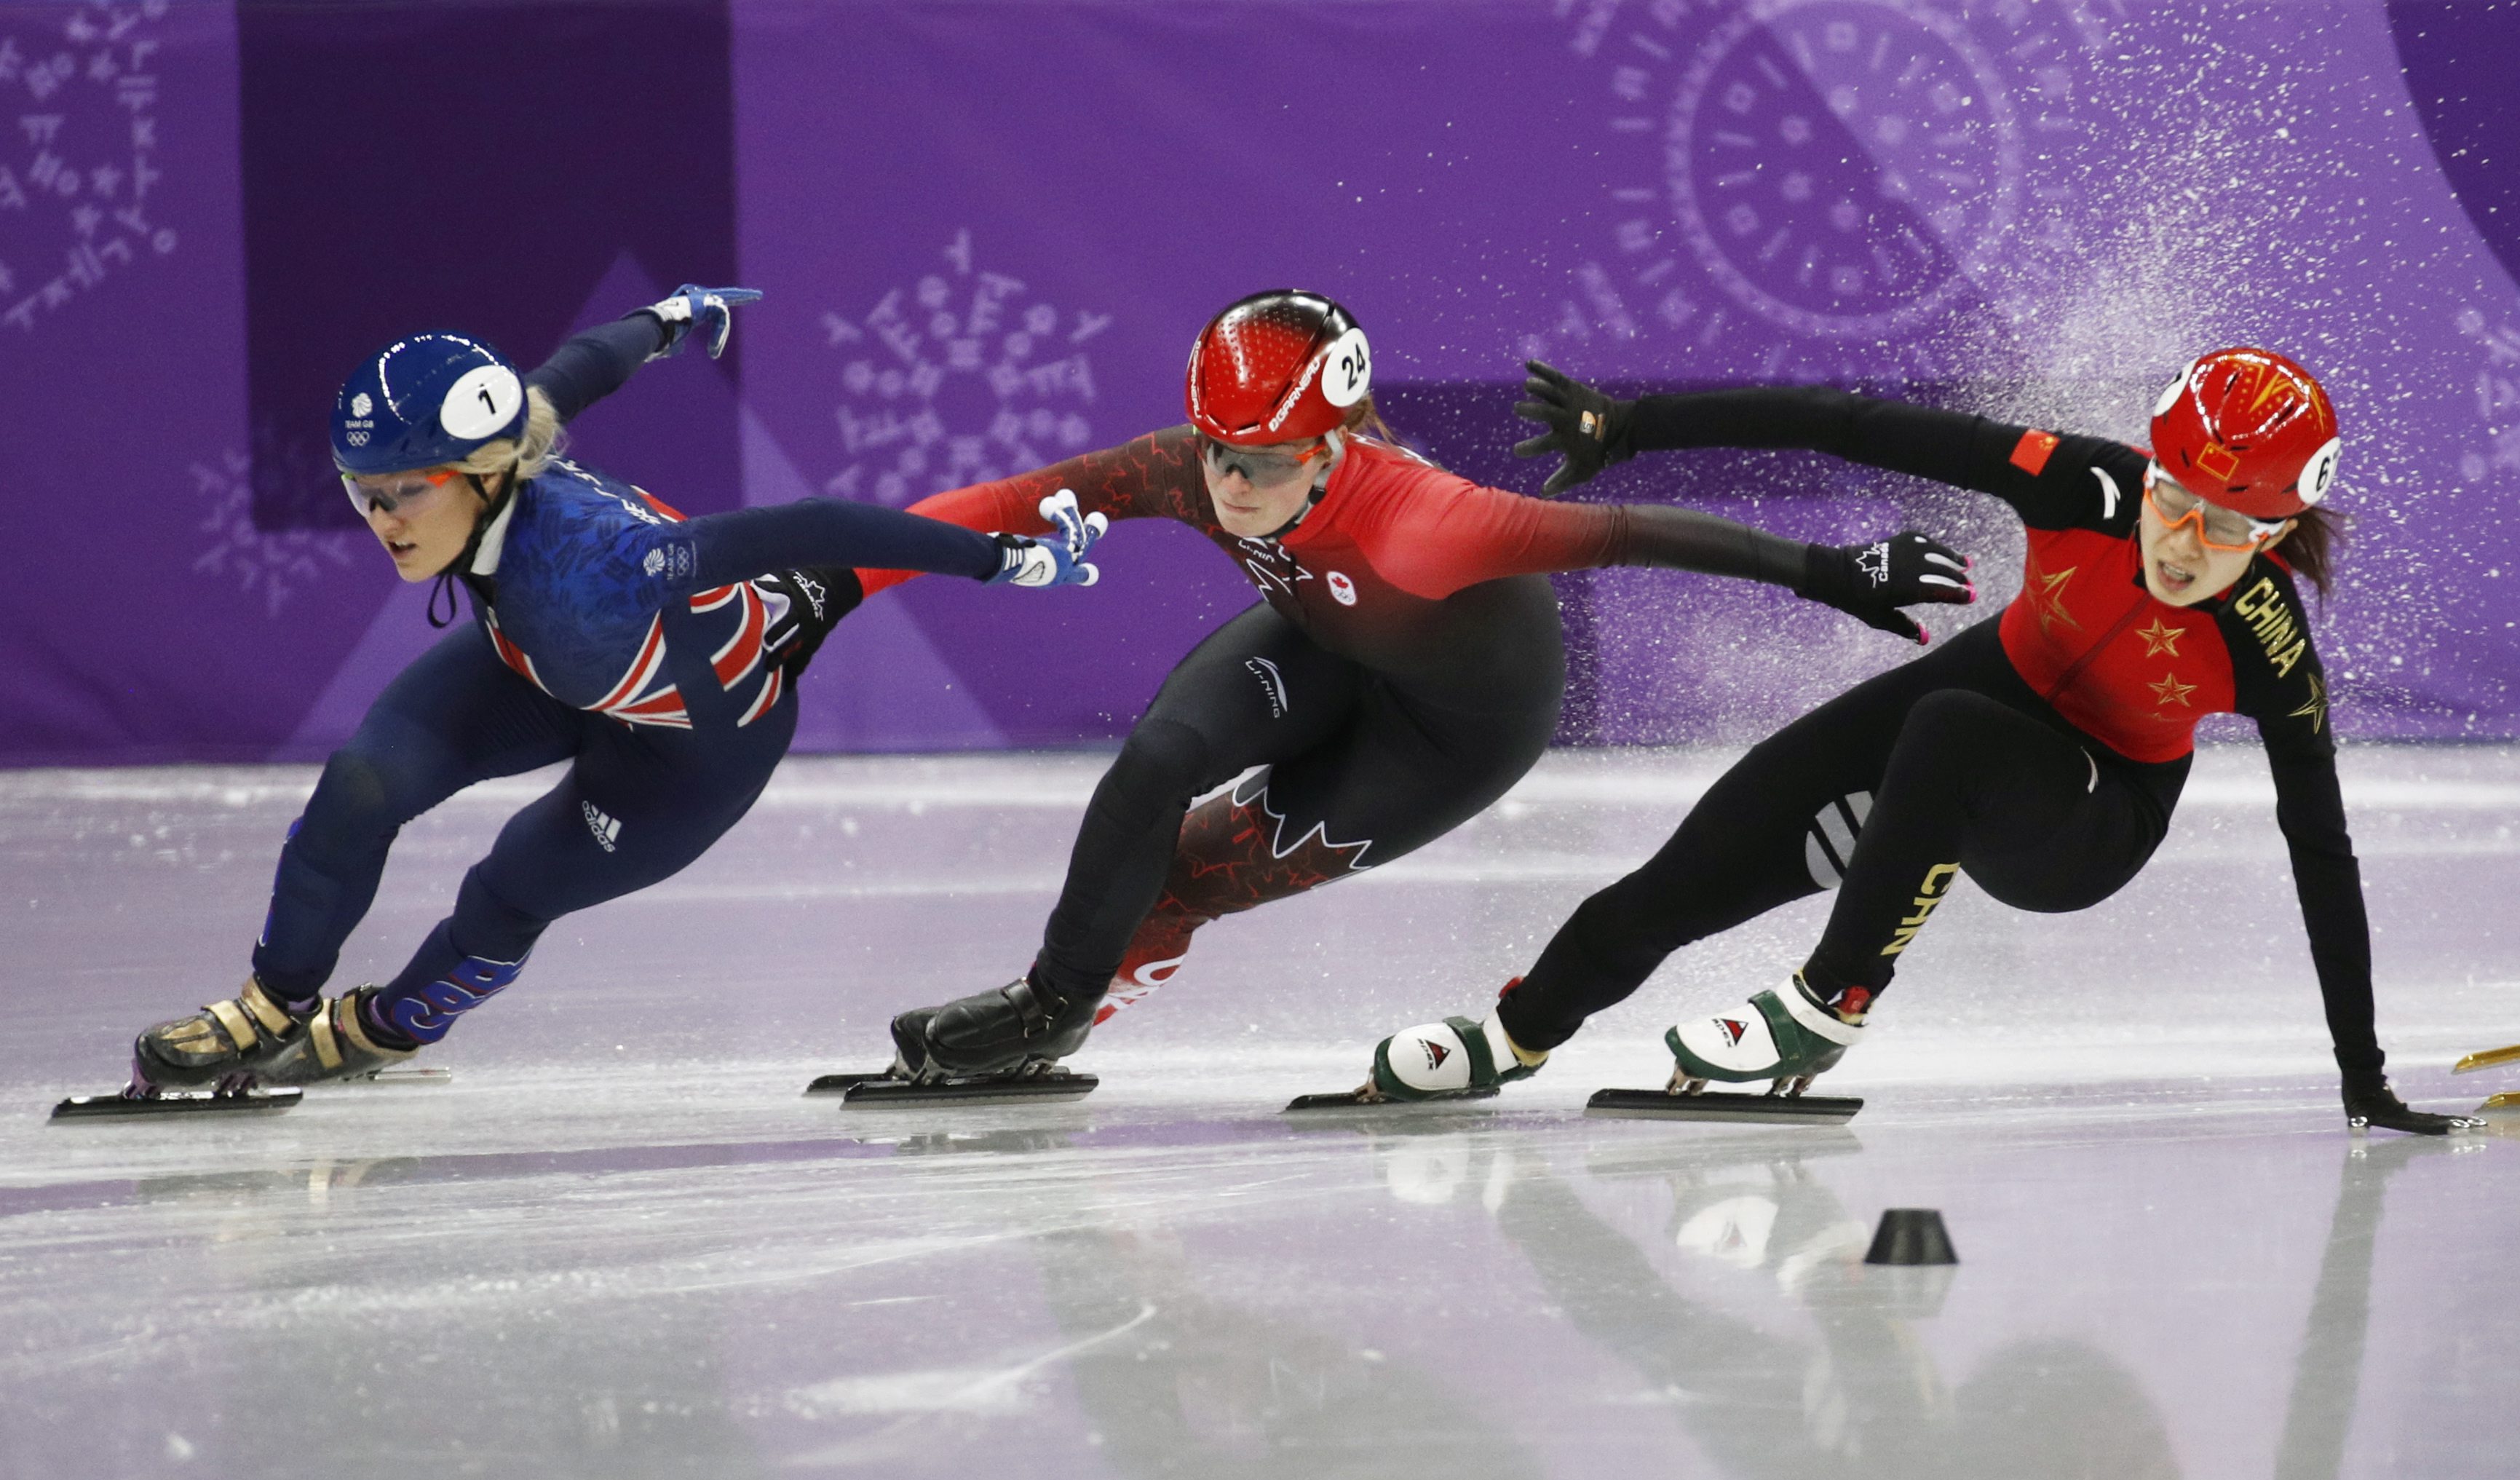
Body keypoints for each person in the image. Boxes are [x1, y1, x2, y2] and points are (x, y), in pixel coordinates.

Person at [852, 290, 1973, 1086]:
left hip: (1452, 735)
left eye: (1267, 462)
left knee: (1184, 876)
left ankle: (1093, 985)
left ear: (1333, 446)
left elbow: (1631, 531)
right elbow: (1009, 501)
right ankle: (1050, 1006)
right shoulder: (1184, 467)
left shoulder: (1426, 526)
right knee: (1154, 763)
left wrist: (1831, 570)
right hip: (1326, 643)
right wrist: (829, 565)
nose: (1233, 485)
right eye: (1217, 455)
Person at [1363, 349, 2481, 1136]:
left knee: (1944, 727)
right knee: (1716, 843)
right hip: (1984, 701)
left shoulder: (2265, 640)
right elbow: (1851, 426)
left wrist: (2363, 1075)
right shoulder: (2079, 481)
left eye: (2230, 526)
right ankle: (1515, 1033)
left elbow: (2319, 846)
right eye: (2176, 497)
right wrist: (1634, 428)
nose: (2185, 543)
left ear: (2278, 530)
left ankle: (1827, 1005)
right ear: (2149, 467)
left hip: (2090, 818)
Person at [125, 285, 1104, 1096]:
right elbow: (573, 370)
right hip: (545, 670)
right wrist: (670, 318)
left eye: (404, 490)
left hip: (686, 752)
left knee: (506, 889)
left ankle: (383, 1026)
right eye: (362, 493)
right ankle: (269, 1006)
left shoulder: (602, 567)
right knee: (364, 785)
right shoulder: (511, 448)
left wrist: (1006, 562)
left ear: (484, 470)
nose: (383, 519)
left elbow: (808, 525)